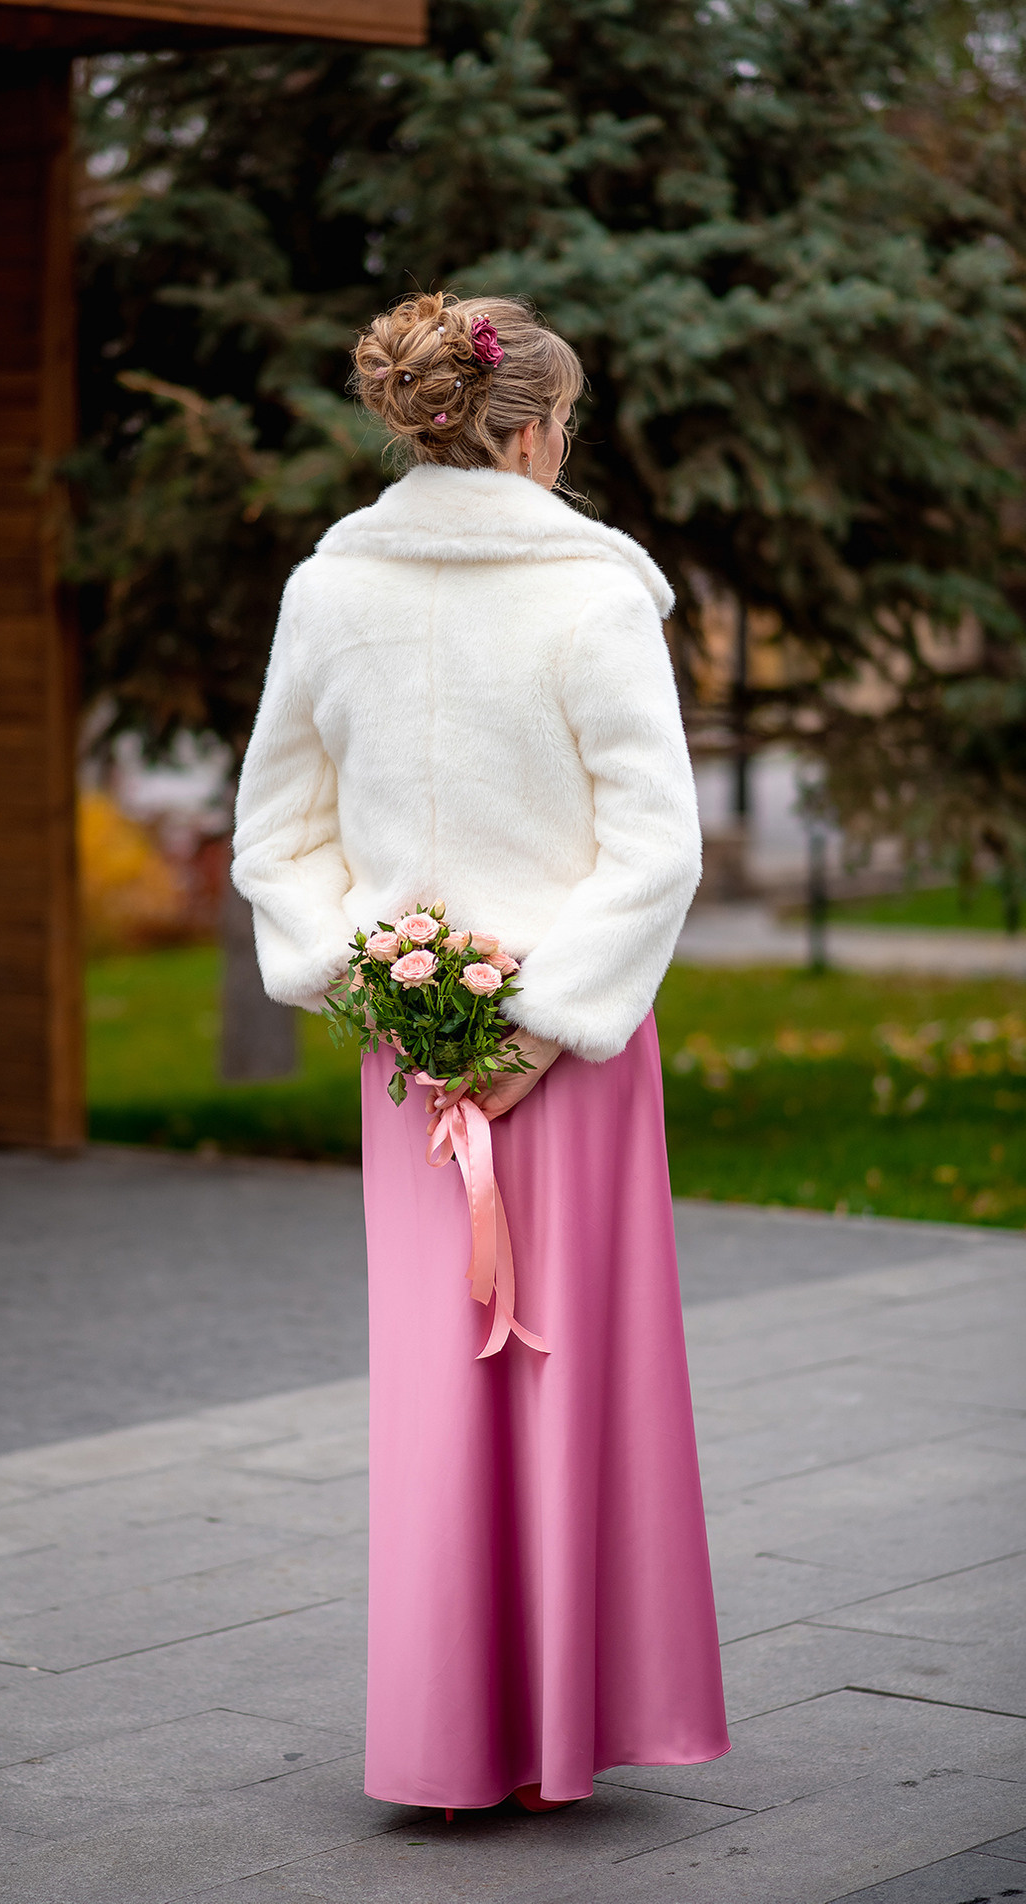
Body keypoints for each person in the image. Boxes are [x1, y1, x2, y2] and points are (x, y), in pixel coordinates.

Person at [231, 291, 728, 1816]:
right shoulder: (596, 593)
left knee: (437, 1387)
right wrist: (542, 1021)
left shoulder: (332, 590)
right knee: (578, 1383)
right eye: (566, 427)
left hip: (414, 1069)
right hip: (563, 1054)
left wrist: (372, 987)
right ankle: (563, 1728)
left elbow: (275, 835)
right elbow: (656, 842)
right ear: (536, 430)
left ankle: (451, 1742)